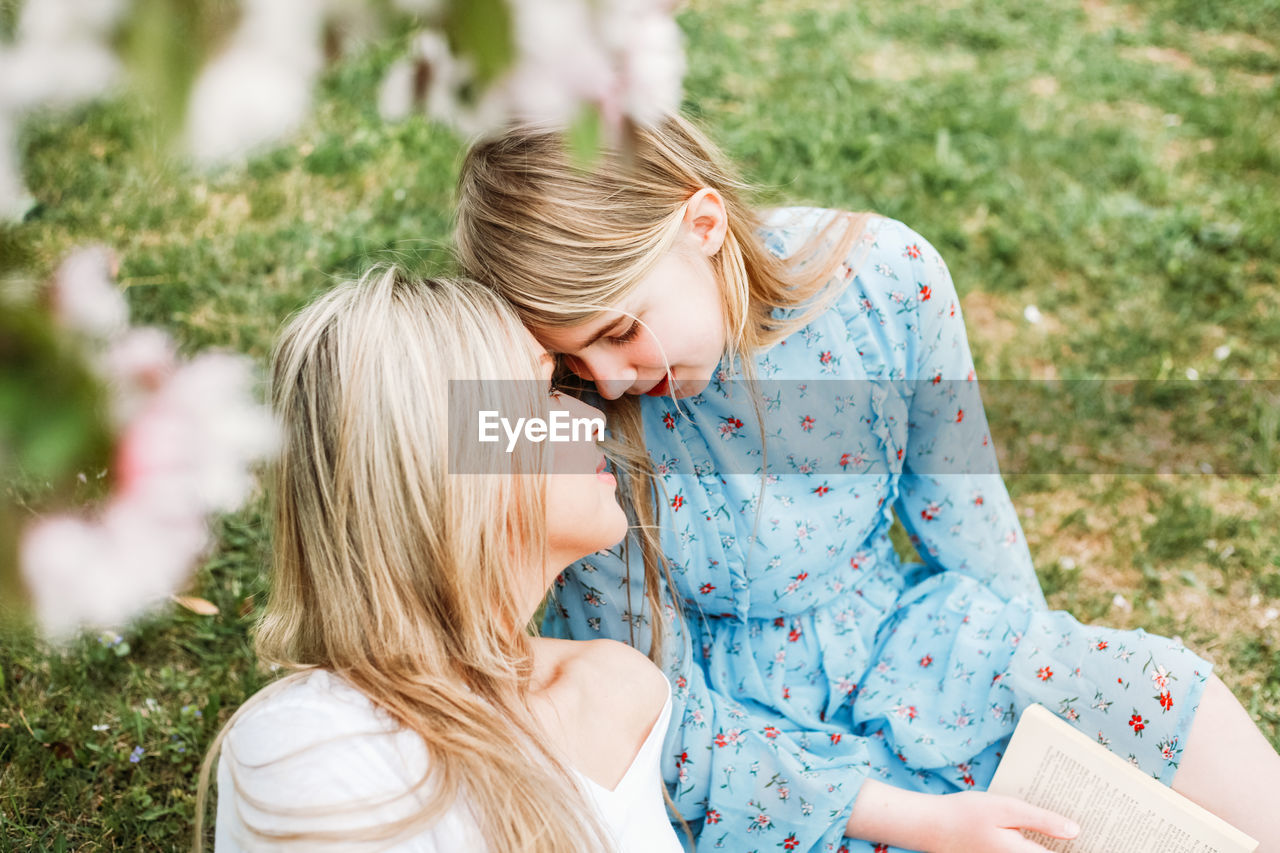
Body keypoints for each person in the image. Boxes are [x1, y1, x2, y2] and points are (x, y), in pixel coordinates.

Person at [454, 115, 1280, 853]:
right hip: (737, 729)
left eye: (622, 330)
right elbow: (646, 705)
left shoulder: (888, 281)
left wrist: (1043, 686)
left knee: (1149, 688)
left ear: (701, 224)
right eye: (571, 357)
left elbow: (965, 512)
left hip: (904, 632)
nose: (607, 376)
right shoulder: (575, 424)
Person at [194, 269, 683, 853]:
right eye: (542, 394)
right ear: (439, 468)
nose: (591, 418)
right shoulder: (315, 742)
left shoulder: (622, 689)